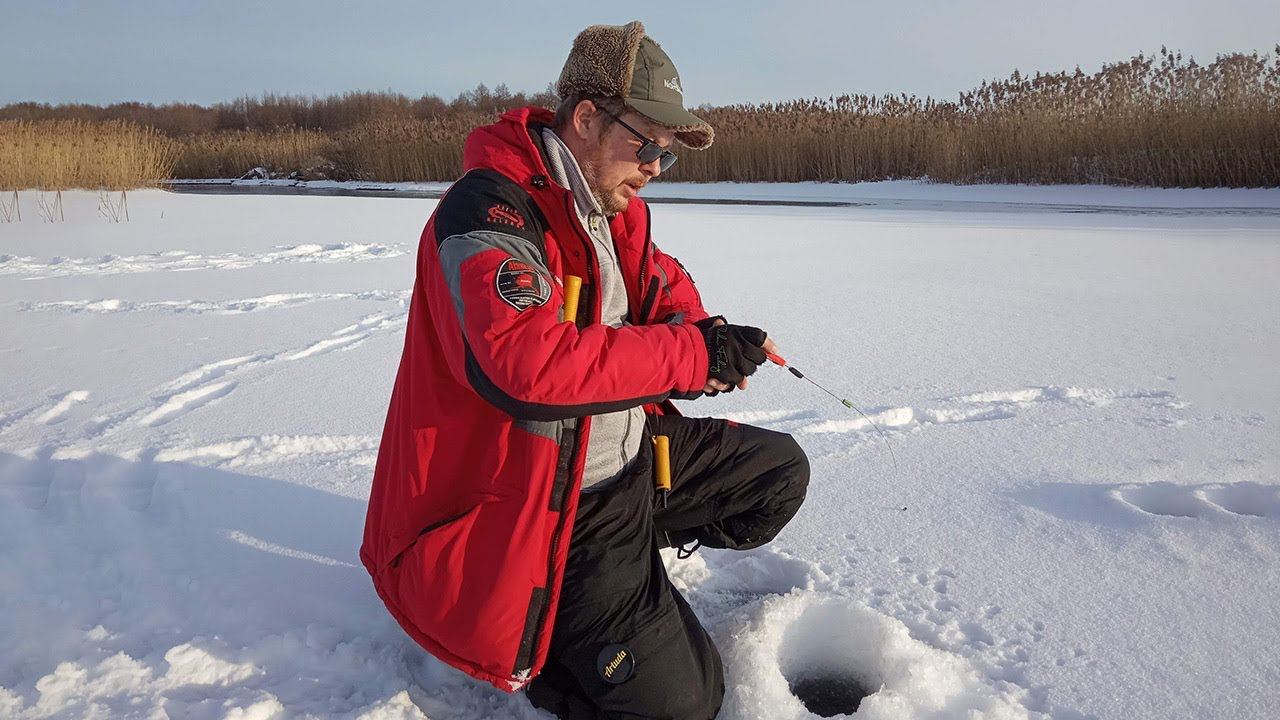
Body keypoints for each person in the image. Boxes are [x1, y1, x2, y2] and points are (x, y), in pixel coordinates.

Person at [360, 20, 809, 720]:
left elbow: (661, 289)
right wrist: (691, 359)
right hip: (543, 498)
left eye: (668, 153)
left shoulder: (608, 207)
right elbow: (527, 366)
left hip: (627, 456)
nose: (656, 165)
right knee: (686, 704)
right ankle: (560, 639)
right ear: (587, 117)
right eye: (647, 144)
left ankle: (624, 587)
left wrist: (712, 336)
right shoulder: (491, 210)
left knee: (779, 476)